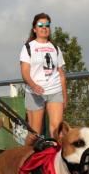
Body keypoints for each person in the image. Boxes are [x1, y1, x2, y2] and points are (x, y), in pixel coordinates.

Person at [20, 12, 67, 140]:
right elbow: (24, 72)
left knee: (57, 132)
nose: (44, 28)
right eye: (40, 25)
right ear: (35, 29)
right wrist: (33, 85)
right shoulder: (28, 47)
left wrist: (64, 96)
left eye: (47, 25)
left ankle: (54, 159)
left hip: (55, 91)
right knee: (34, 134)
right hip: (35, 93)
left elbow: (61, 74)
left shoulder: (55, 48)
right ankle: (27, 158)